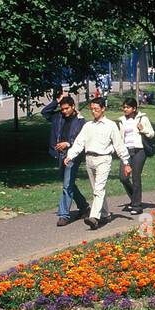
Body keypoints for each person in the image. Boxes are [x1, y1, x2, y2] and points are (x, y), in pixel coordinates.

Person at [64, 98, 132, 229]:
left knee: (99, 189)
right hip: (89, 159)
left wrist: (126, 162)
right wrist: (70, 155)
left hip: (104, 159)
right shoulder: (88, 125)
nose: (94, 112)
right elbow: (79, 142)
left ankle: (94, 217)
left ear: (103, 109)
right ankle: (105, 214)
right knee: (96, 189)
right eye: (92, 109)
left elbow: (119, 145)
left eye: (96, 109)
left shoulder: (111, 125)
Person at [42, 92, 88, 226]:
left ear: (73, 106)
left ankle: (64, 215)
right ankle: (84, 207)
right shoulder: (58, 117)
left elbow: (81, 139)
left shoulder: (80, 121)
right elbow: (45, 113)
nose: (64, 111)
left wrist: (68, 143)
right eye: (62, 109)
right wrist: (56, 101)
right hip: (60, 154)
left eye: (67, 108)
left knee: (67, 184)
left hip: (73, 154)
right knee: (70, 183)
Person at [117, 96, 155, 213]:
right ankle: (134, 197)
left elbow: (152, 134)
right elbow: (119, 137)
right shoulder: (121, 120)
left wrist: (143, 129)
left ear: (134, 108)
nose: (125, 109)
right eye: (124, 107)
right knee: (123, 178)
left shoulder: (142, 118)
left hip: (139, 150)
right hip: (126, 151)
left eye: (127, 107)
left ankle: (136, 205)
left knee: (136, 177)